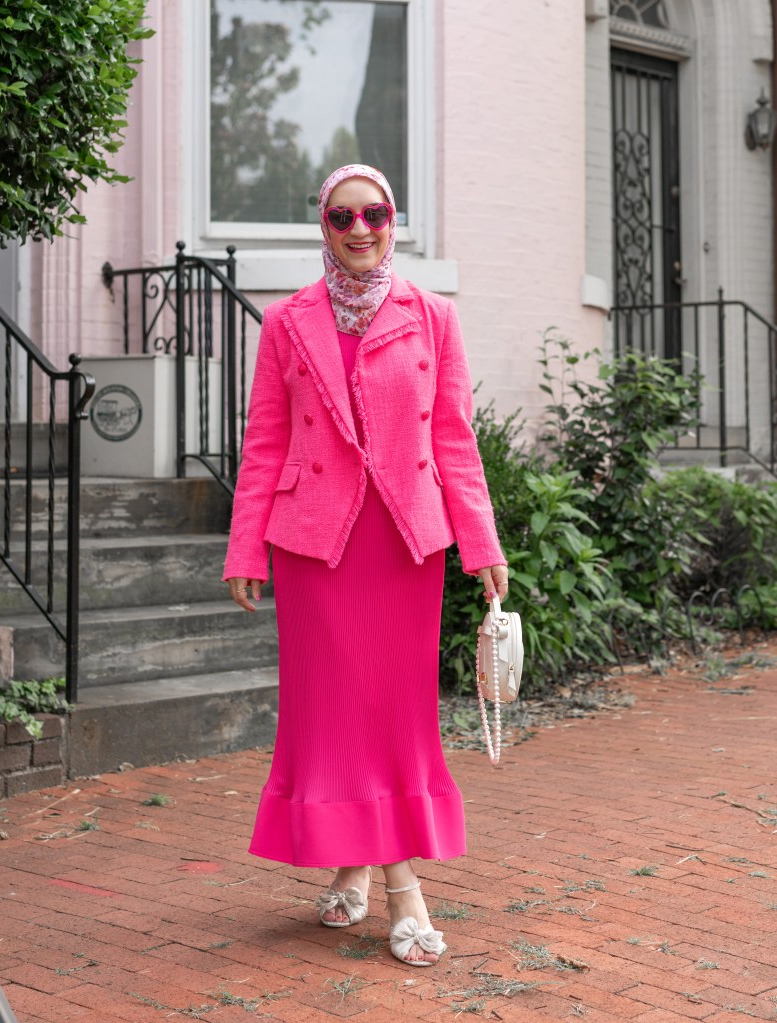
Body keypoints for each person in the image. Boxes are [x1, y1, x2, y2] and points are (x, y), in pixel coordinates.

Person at [224, 164, 508, 966]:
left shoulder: (433, 316)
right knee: (333, 715)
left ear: (393, 222)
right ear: (323, 225)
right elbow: (265, 441)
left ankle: (388, 878)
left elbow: (452, 439)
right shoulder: (286, 321)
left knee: (391, 715)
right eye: (342, 216)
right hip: (314, 545)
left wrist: (481, 541)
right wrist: (245, 545)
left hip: (402, 543)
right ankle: (383, 876)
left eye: (374, 214)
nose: (359, 229)